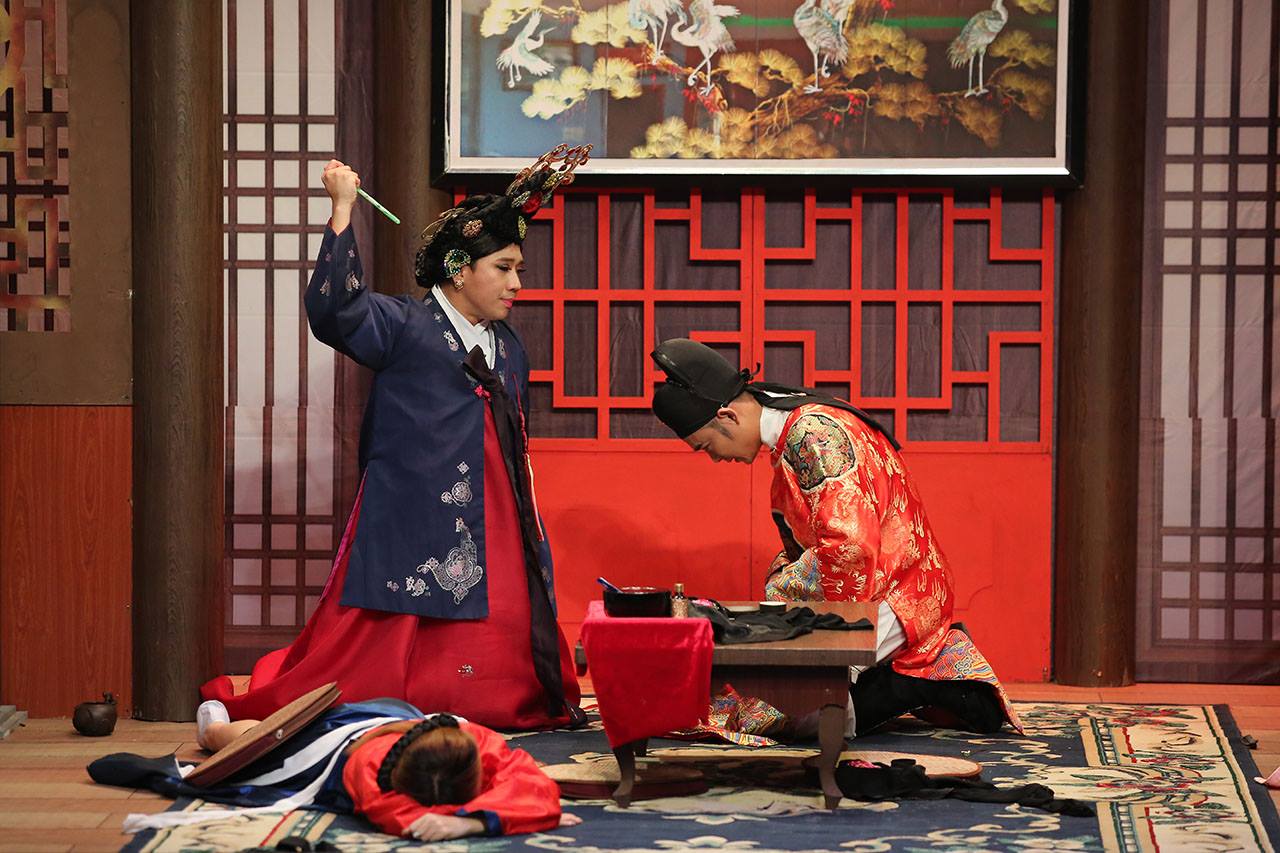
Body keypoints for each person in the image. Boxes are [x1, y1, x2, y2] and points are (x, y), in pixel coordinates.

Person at [201, 144, 593, 731]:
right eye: (503, 268)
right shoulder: (404, 324)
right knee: (380, 653)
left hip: (499, 514)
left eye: (519, 270)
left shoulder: (509, 346)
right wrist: (342, 209)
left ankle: (494, 702)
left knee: (509, 616)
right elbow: (337, 312)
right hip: (416, 511)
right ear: (459, 269)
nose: (516, 283)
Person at [649, 338, 1022, 737]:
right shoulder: (798, 426)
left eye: (708, 445)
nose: (716, 458)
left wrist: (828, 636)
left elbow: (851, 545)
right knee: (768, 686)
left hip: (895, 590)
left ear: (728, 416)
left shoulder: (812, 433)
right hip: (894, 578)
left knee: (795, 715)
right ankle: (900, 671)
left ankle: (928, 684)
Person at [92, 698, 580, 841]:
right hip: (332, 750)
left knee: (261, 738)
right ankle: (212, 728)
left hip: (397, 718)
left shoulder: (472, 741)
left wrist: (468, 821)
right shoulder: (371, 781)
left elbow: (539, 787)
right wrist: (491, 816)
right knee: (253, 747)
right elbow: (535, 797)